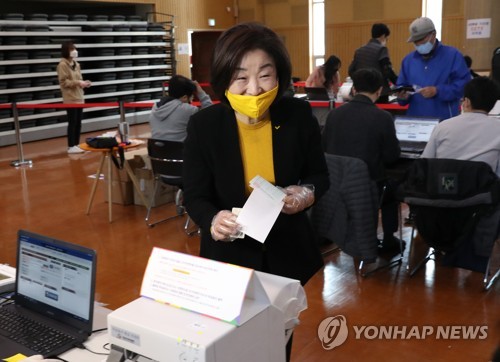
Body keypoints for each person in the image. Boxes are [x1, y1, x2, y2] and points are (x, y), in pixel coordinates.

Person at [183, 22, 329, 361]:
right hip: (228, 258)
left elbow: (319, 175)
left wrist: (306, 194)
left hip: (286, 251)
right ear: (222, 79)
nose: (253, 90)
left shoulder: (298, 115)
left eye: (265, 76)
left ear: (279, 75)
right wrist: (213, 218)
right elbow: (195, 195)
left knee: (279, 337)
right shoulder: (204, 126)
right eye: (240, 77)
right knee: (231, 341)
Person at [322, 68, 402, 250]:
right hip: (366, 189)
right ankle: (389, 238)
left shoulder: (334, 114)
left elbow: (323, 147)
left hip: (334, 185)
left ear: (354, 90)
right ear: (379, 91)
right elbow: (391, 157)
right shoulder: (383, 118)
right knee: (394, 187)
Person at [422, 76, 500, 176]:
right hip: (482, 190)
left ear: (466, 102)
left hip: (444, 187)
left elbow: (424, 163)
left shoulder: (443, 127)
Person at [396, 17, 470, 120]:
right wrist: (402, 97)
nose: (419, 44)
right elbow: (401, 87)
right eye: (416, 41)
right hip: (416, 122)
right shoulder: (408, 61)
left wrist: (438, 91)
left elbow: (464, 85)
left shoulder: (452, 56)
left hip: (444, 121)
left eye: (422, 39)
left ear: (433, 34)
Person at [149, 74, 212, 142]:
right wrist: (200, 92)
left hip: (157, 151)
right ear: (185, 97)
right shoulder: (187, 110)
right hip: (180, 151)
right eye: (190, 98)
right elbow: (211, 115)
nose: (190, 101)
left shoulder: (155, 108)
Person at [348, 23, 398, 103]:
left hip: (360, 92)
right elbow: (387, 71)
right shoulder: (382, 49)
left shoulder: (359, 51)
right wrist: (399, 83)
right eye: (387, 38)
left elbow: (351, 71)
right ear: (383, 36)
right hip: (379, 94)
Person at [56, 41, 91, 154]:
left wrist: (84, 83)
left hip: (79, 96)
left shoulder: (77, 64)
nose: (74, 51)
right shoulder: (62, 65)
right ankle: (71, 146)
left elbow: (79, 78)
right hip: (70, 97)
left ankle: (76, 144)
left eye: (74, 49)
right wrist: (78, 83)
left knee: (79, 122)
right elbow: (64, 82)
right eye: (72, 49)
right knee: (72, 121)